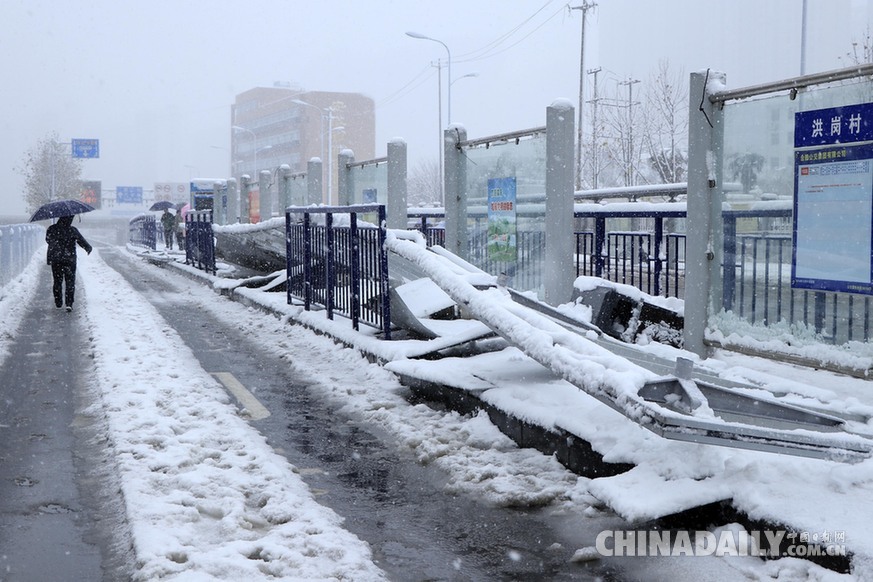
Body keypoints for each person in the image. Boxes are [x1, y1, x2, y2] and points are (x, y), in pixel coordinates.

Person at [45, 215, 92, 312]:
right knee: (70, 281)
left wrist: (57, 241)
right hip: (69, 259)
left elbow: (48, 240)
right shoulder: (72, 230)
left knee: (57, 280)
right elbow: (81, 241)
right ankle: (69, 303)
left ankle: (58, 301)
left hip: (56, 258)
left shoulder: (52, 229)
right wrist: (88, 248)